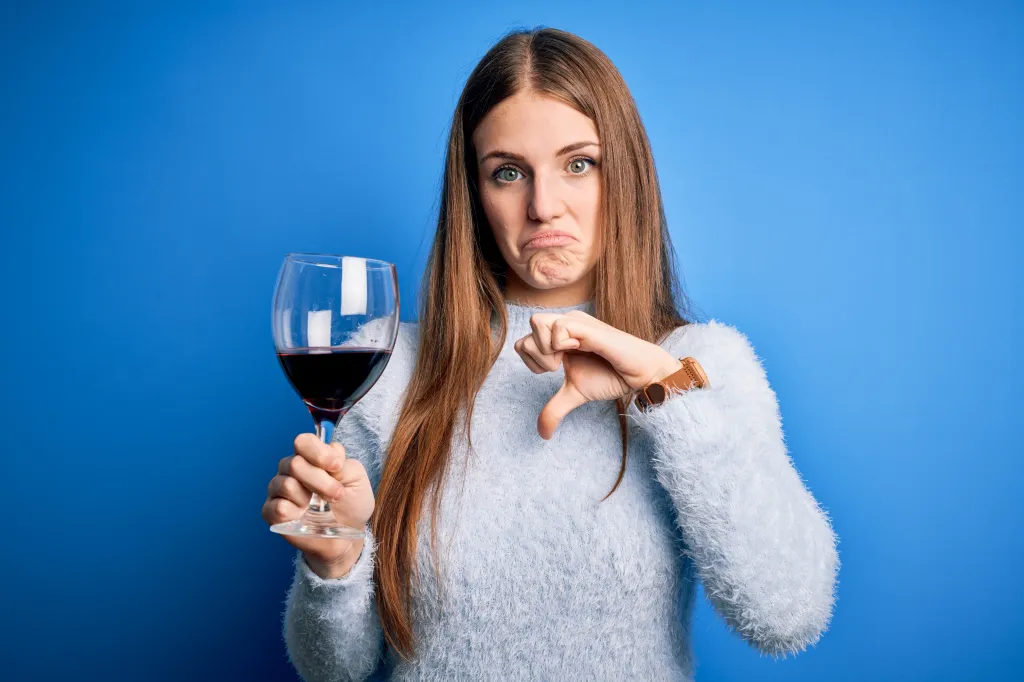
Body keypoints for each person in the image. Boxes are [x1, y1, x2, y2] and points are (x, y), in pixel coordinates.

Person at [262, 27, 840, 681]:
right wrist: (332, 564)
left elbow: (787, 616)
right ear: (474, 195)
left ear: (623, 174)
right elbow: (333, 670)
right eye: (508, 173)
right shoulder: (391, 375)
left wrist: (661, 387)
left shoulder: (699, 364)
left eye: (578, 163)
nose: (543, 206)